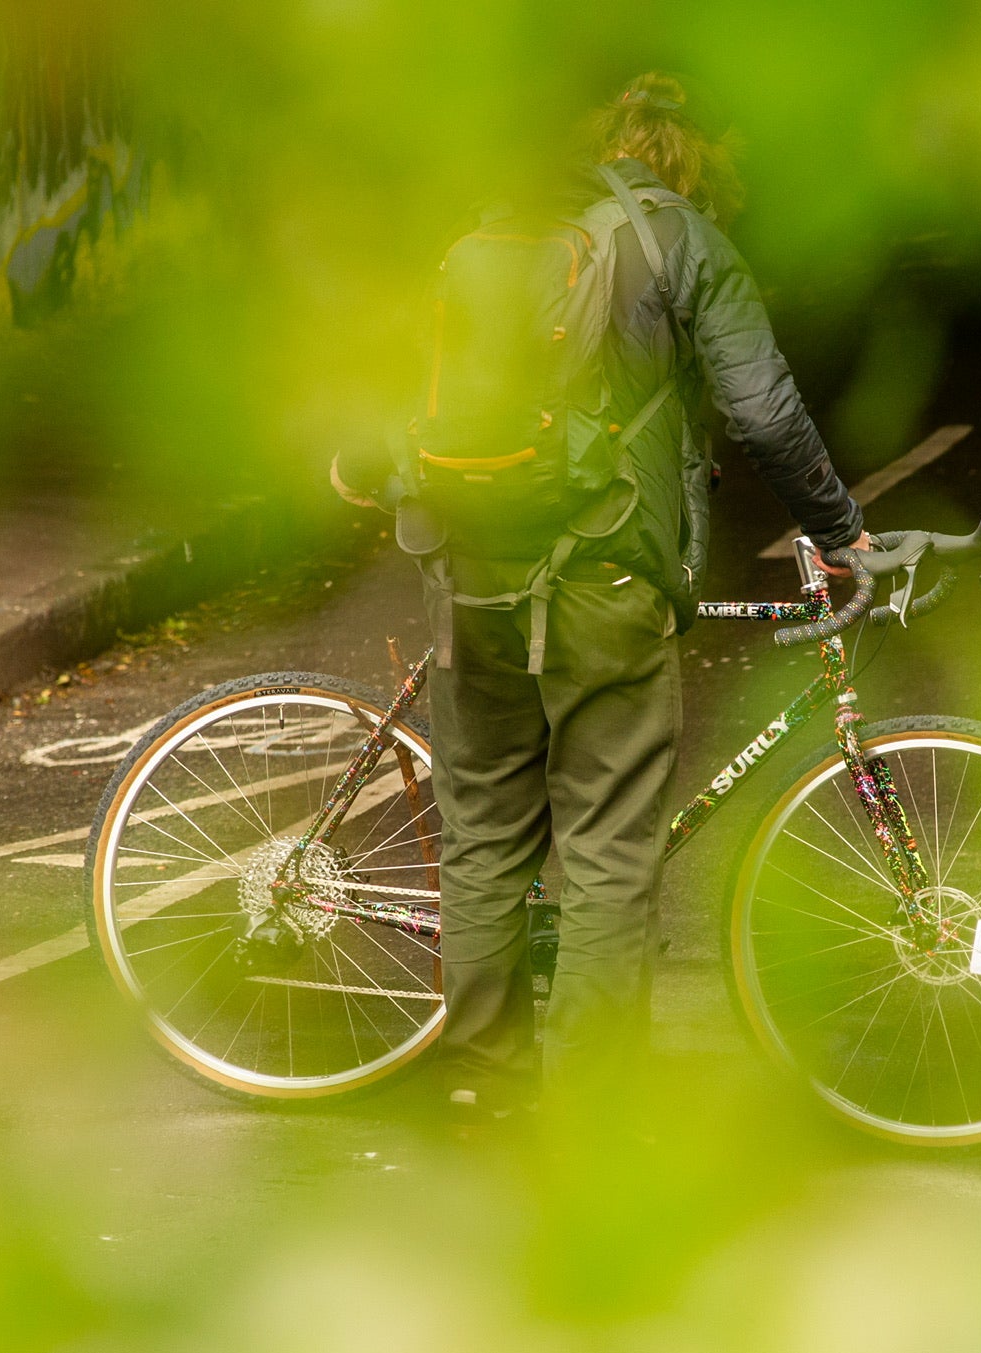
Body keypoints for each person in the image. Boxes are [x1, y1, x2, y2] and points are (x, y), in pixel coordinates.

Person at [335, 72, 869, 1120]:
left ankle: (484, 1089)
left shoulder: (486, 237)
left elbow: (393, 383)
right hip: (606, 578)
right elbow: (763, 411)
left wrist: (365, 464)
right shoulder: (685, 244)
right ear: (693, 162)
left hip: (472, 578)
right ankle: (590, 1117)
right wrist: (841, 530)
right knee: (607, 852)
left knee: (484, 837)